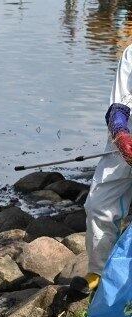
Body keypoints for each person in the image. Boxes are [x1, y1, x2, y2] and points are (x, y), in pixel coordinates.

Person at [78, 44, 132, 298]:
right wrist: (120, 134)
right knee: (98, 205)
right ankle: (100, 273)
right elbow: (118, 107)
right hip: (125, 142)